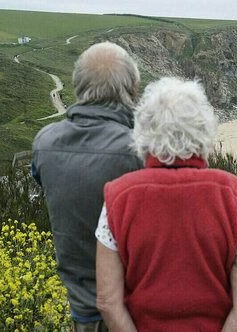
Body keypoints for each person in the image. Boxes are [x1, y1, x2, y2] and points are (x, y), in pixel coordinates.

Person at [95, 77, 237, 331]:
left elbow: (108, 302)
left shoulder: (118, 196)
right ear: (204, 129)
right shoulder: (233, 194)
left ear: (144, 131)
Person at [31, 41, 144, 331]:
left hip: (81, 307)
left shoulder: (44, 143)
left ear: (77, 88)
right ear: (131, 91)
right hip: (134, 310)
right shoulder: (139, 149)